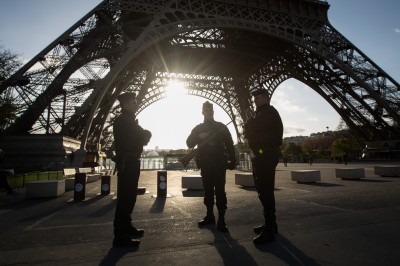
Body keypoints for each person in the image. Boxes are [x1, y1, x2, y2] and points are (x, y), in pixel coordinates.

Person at [186, 101, 236, 232]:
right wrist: (199, 136)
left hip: (219, 163)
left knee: (220, 190)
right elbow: (188, 143)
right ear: (203, 112)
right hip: (206, 163)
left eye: (210, 110)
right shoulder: (198, 128)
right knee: (208, 191)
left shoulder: (221, 127)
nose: (208, 112)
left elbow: (230, 145)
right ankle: (210, 215)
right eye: (206, 110)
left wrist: (233, 160)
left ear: (213, 112)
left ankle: (221, 219)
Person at [243, 88, 283, 245]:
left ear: (267, 98)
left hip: (266, 154)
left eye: (259, 97)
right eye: (255, 98)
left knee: (265, 190)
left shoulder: (269, 112)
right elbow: (250, 129)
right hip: (262, 155)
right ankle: (271, 224)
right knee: (263, 190)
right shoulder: (261, 113)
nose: (256, 100)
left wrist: (250, 126)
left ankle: (270, 228)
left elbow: (251, 126)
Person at [112, 92, 152, 247]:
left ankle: (126, 227)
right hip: (128, 162)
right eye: (134, 102)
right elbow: (143, 137)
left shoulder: (126, 120)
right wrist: (146, 134)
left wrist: (144, 135)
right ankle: (120, 236)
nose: (136, 104)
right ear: (126, 104)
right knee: (126, 198)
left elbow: (141, 137)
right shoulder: (125, 121)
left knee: (129, 197)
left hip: (129, 162)